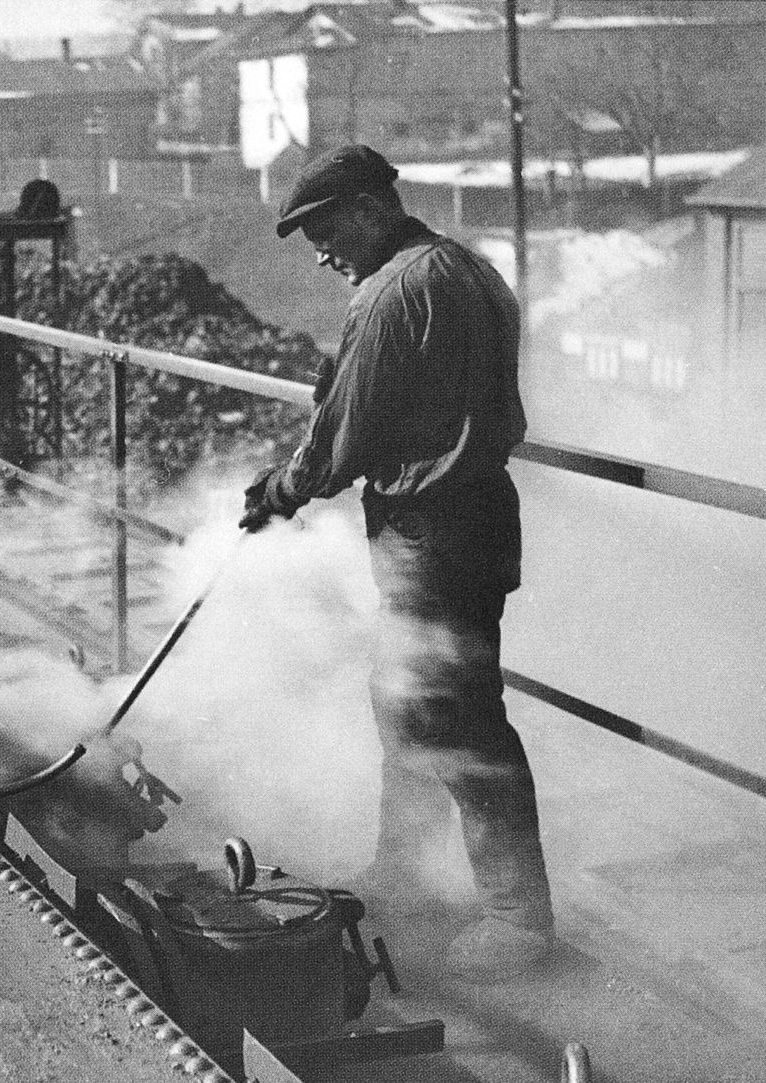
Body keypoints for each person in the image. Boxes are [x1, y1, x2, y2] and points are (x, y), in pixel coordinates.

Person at [240, 144, 554, 982]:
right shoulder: (469, 272)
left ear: (374, 208)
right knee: (407, 705)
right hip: (475, 519)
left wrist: (280, 488)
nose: (318, 248)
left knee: (456, 717)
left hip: (432, 530)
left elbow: (345, 438)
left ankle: (518, 920)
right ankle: (406, 874)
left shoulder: (391, 294)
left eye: (324, 225)